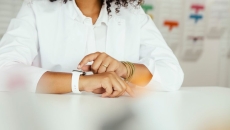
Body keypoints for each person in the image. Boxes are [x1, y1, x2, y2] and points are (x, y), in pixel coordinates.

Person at [0, 0, 184, 98]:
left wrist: (125, 69)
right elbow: (4, 71)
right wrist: (82, 82)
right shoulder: (36, 7)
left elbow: (173, 75)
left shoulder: (132, 14)